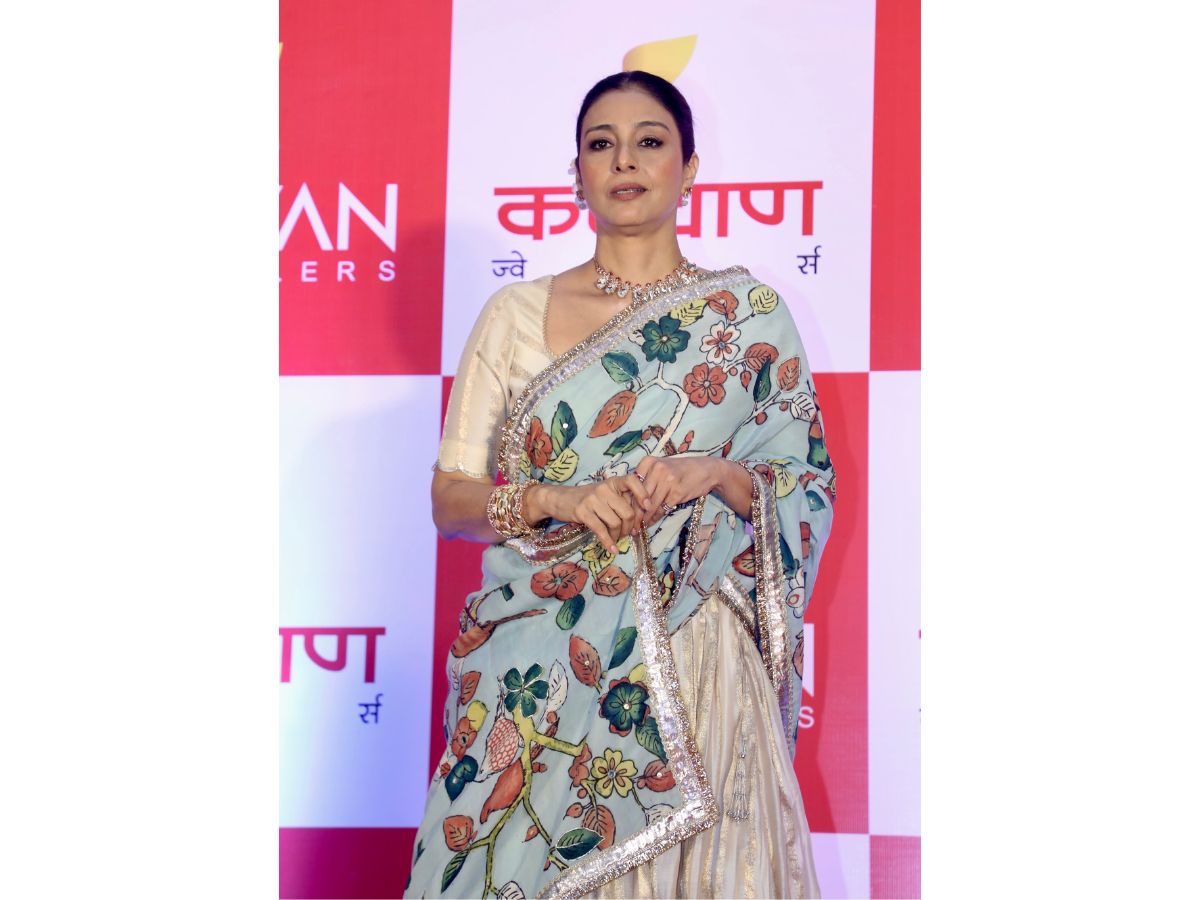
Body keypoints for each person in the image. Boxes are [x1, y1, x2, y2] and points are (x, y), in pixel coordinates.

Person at [405, 70, 835, 900]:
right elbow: (450, 498)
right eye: (601, 144)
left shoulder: (748, 318)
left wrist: (714, 473)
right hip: (544, 665)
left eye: (650, 141)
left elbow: (804, 487)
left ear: (691, 167)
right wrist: (550, 500)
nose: (625, 160)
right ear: (576, 173)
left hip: (697, 658)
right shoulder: (514, 314)